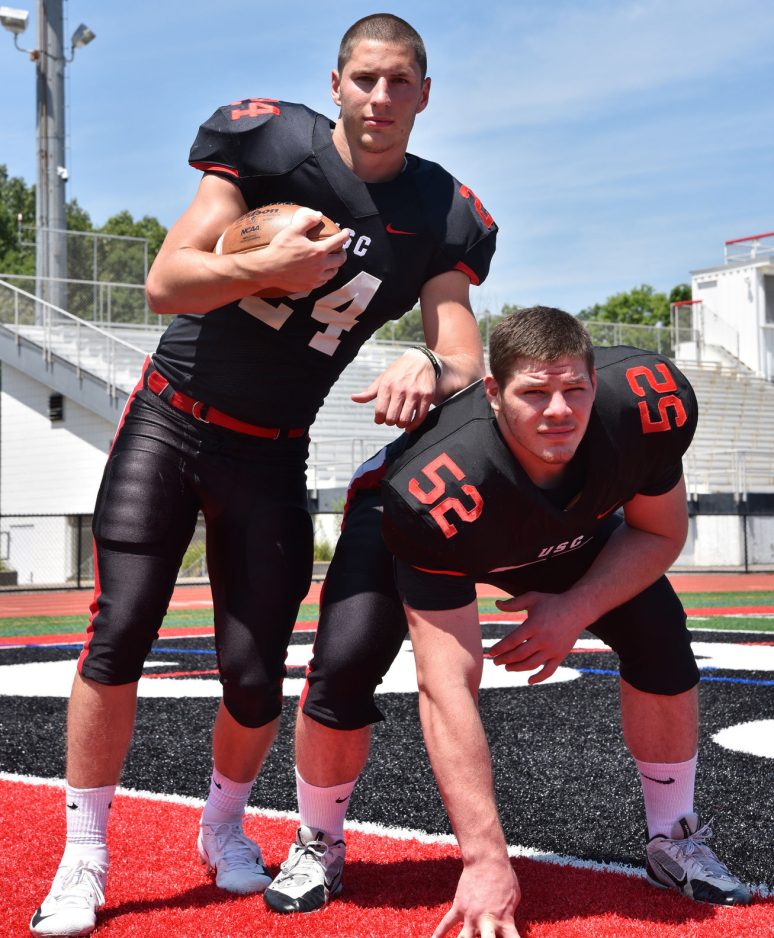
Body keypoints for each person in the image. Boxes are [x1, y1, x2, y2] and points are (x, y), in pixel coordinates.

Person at [30, 13, 497, 936]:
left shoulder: (442, 209)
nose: (380, 97)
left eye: (399, 81)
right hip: (171, 418)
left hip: (273, 447)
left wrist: (425, 364)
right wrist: (267, 267)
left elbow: (462, 356)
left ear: (425, 94)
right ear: (335, 83)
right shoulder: (273, 146)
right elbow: (167, 281)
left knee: (253, 675)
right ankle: (83, 854)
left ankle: (223, 827)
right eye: (364, 78)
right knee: (118, 634)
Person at [265, 306, 750, 935]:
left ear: (595, 382)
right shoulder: (437, 483)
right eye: (534, 393)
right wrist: (485, 860)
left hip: (559, 526)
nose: (559, 411)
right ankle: (318, 840)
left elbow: (659, 533)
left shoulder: (648, 403)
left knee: (659, 633)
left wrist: (573, 608)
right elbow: (446, 685)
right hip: (438, 516)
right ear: (493, 392)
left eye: (574, 388)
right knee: (346, 662)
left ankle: (673, 838)